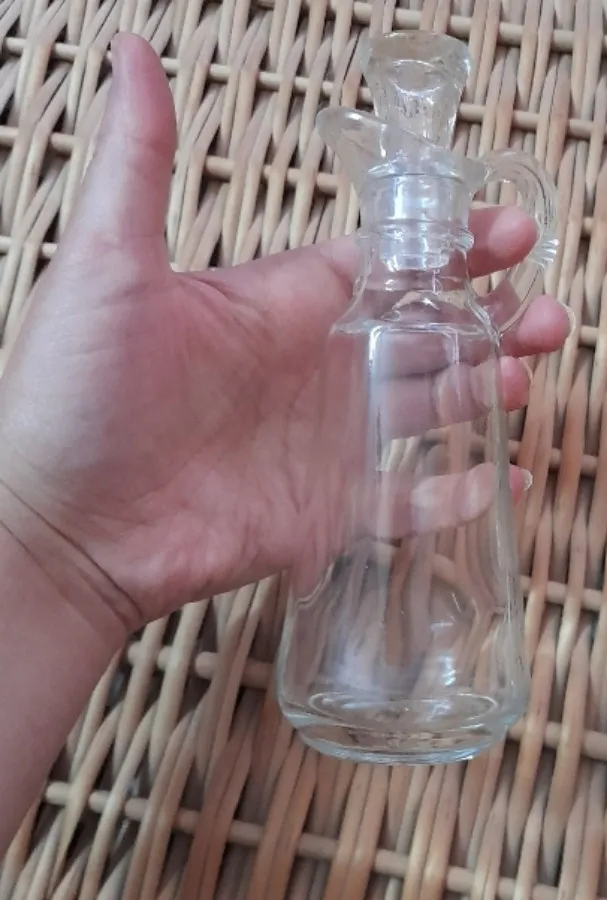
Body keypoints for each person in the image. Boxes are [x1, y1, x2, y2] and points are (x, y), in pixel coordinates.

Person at [0, 34, 571, 850]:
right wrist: (41, 527)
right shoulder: (366, 334)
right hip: (325, 699)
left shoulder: (457, 335)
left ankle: (463, 678)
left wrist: (44, 540)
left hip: (464, 703)